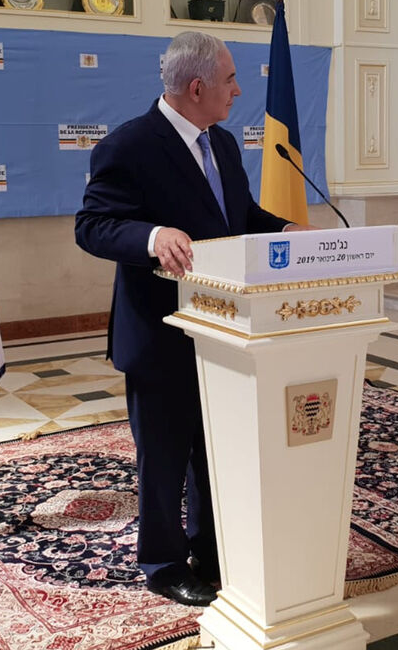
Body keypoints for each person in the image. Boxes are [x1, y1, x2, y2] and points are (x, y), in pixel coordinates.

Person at [74, 31, 299, 605]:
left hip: (224, 329)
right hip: (161, 332)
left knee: (214, 448)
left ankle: (213, 549)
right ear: (197, 88)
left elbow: (237, 215)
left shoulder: (221, 142)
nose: (238, 91)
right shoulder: (129, 145)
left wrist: (285, 231)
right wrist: (152, 237)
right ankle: (163, 563)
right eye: (230, 80)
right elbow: (93, 226)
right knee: (165, 458)